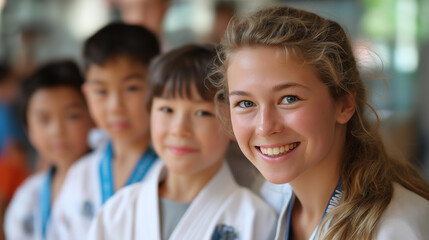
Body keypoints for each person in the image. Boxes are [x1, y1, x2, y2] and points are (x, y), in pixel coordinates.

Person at [210, 5, 429, 240]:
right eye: (245, 103)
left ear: (344, 104)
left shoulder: (397, 228)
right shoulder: (267, 201)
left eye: (289, 99)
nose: (265, 126)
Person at [87, 44, 276, 240]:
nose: (179, 129)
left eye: (202, 113)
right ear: (150, 112)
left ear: (233, 123)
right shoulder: (120, 210)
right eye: (167, 110)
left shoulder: (254, 218)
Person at [52, 22, 161, 239]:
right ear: (87, 94)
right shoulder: (79, 176)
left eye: (131, 88)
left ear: (157, 87)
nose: (115, 106)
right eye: (101, 91)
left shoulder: (173, 172)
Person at [4, 60, 94, 240]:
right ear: (27, 128)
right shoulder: (27, 198)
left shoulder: (113, 179)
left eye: (71, 116)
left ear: (92, 116)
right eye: (44, 119)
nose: (57, 131)